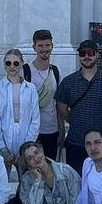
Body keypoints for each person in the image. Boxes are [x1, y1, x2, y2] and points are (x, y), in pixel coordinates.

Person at [56, 39, 102, 173]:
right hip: (76, 141)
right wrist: (75, 121)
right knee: (77, 183)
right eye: (82, 53)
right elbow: (61, 108)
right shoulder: (68, 82)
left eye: (90, 53)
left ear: (97, 55)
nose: (87, 56)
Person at [0, 48, 40, 172]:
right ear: (4, 64)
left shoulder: (31, 89)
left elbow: (35, 120)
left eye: (16, 63)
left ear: (21, 63)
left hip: (26, 144)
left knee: (27, 184)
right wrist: (3, 149)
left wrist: (26, 148)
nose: (12, 66)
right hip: (0, 146)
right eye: (8, 63)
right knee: (0, 185)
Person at [23, 29, 61, 159]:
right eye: (40, 45)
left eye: (47, 45)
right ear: (34, 47)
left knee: (50, 168)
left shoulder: (55, 71)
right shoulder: (26, 71)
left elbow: (58, 104)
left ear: (52, 46)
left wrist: (61, 130)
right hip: (32, 130)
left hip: (51, 129)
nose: (44, 49)